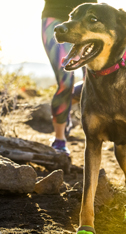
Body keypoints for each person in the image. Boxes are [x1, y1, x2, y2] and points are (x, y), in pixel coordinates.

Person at [42, 0, 97, 155]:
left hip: (89, 20)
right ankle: (59, 139)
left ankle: (66, 109)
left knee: (94, 83)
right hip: (55, 17)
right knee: (65, 81)